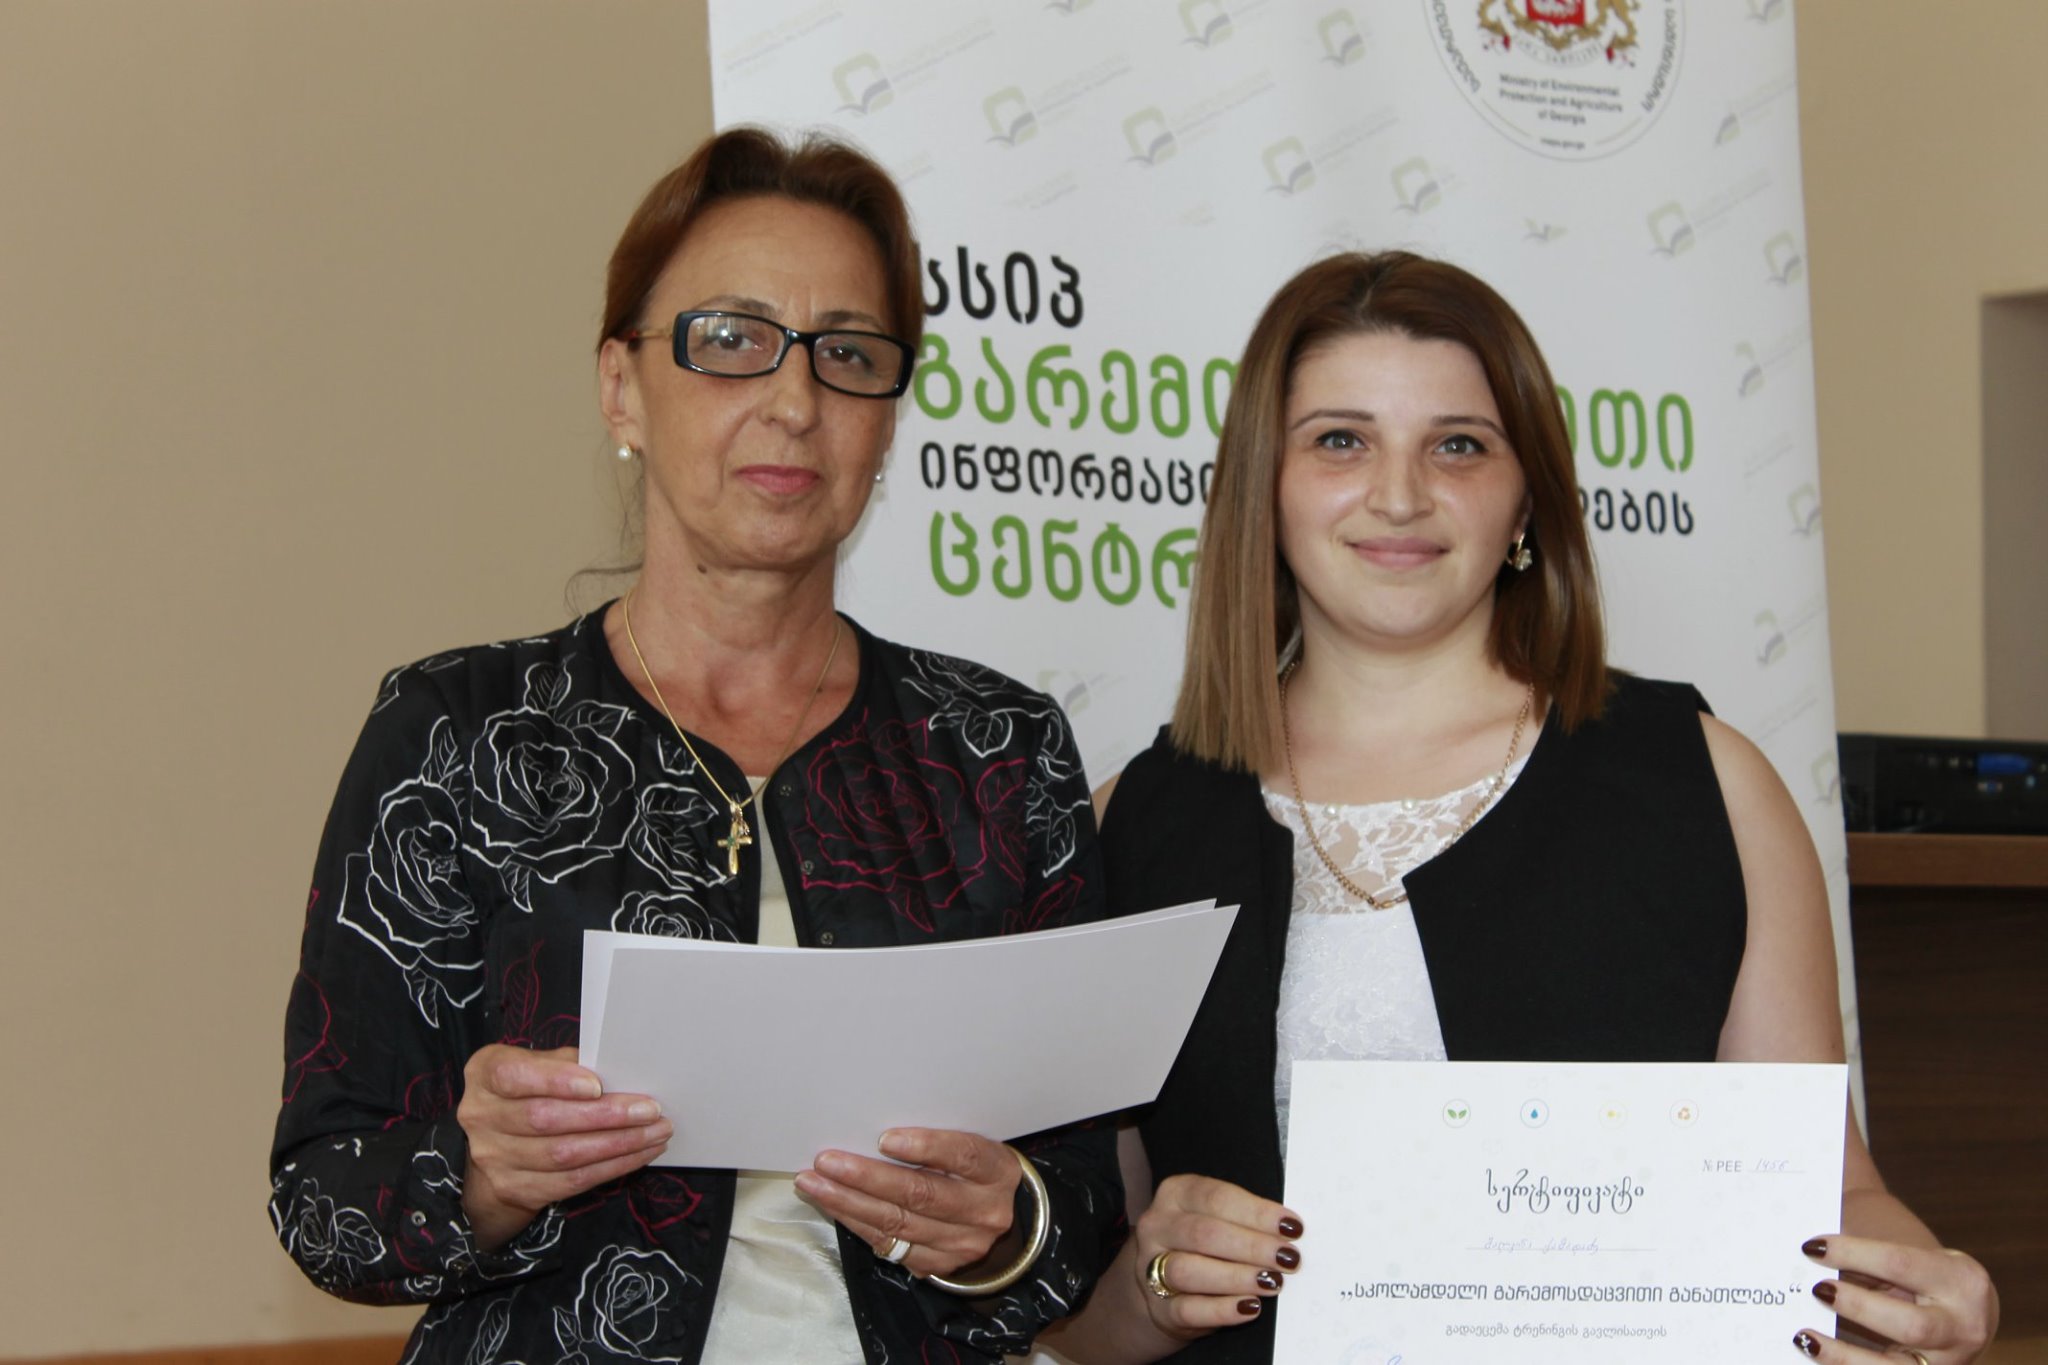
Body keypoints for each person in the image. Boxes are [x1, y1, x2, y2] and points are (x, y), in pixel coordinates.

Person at [1034, 252, 1999, 1365]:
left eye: (1458, 445)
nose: (1400, 494)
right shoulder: (1133, 824)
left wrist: (1927, 1294)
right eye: (1339, 440)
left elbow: (1834, 1198)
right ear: (1262, 485)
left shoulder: (1706, 783)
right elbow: (1076, 1318)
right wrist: (1149, 1288)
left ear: (1527, 494)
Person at [269, 127, 1120, 1364]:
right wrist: (482, 1174)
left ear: (888, 419)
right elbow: (323, 1197)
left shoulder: (996, 752)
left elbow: (1083, 1204)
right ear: (621, 386)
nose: (794, 402)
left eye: (847, 354)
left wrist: (1003, 1228)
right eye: (729, 340)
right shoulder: (454, 731)